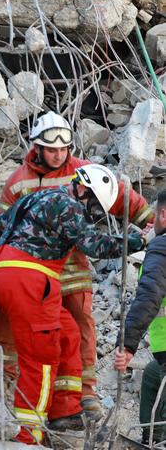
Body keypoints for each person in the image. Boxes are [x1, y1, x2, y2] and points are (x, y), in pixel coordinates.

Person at [0, 111, 154, 419]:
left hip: (68, 267)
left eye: (64, 149)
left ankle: (83, 394)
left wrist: (153, 227)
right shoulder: (18, 182)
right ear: (36, 147)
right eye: (51, 150)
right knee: (13, 322)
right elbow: (0, 224)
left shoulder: (83, 172)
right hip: (29, 270)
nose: (58, 155)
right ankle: (4, 377)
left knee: (77, 325)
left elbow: (122, 197)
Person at [115, 189, 166, 444]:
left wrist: (127, 345)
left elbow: (148, 297)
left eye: (155, 216)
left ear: (164, 214)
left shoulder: (163, 248)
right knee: (153, 375)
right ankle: (152, 440)